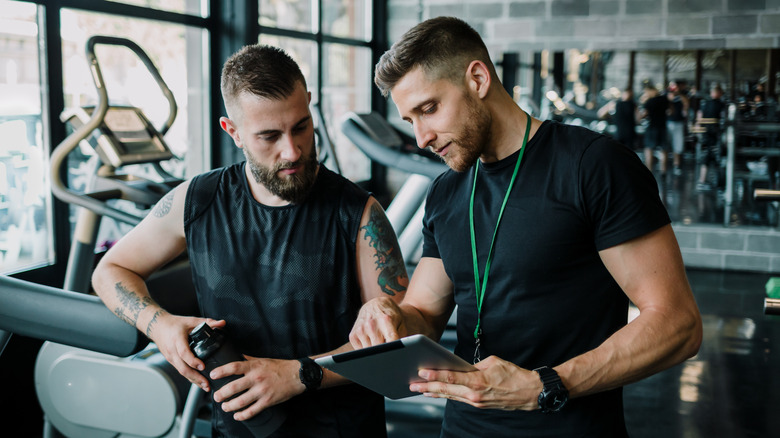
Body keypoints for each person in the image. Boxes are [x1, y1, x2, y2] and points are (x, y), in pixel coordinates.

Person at [349, 16, 702, 437]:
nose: (422, 137)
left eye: (429, 109)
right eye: (411, 121)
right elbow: (423, 312)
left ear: (477, 78)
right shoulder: (445, 191)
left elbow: (677, 323)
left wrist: (543, 385)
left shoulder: (592, 166)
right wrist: (386, 314)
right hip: (464, 426)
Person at [92, 44, 408, 437]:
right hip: (237, 429)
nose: (291, 150)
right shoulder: (196, 201)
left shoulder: (359, 213)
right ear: (234, 132)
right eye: (269, 136)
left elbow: (399, 346)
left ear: (309, 105)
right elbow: (111, 270)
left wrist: (299, 375)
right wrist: (159, 325)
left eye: (301, 126)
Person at [695, 85, 727, 191]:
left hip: (705, 134)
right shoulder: (721, 105)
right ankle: (719, 184)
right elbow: (724, 119)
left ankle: (703, 181)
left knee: (706, 157)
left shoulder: (705, 104)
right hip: (716, 135)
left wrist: (699, 131)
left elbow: (699, 117)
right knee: (717, 159)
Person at [640, 83, 670, 176]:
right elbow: (671, 111)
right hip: (663, 127)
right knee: (663, 150)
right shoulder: (664, 99)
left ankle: (648, 171)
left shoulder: (649, 102)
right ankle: (663, 171)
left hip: (652, 127)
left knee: (649, 149)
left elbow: (643, 115)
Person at [666, 81, 689, 175]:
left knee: (678, 145)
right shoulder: (667, 97)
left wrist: (678, 94)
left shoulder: (682, 97)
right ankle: (666, 165)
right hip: (668, 123)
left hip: (678, 123)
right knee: (667, 144)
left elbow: (686, 104)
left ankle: (677, 165)